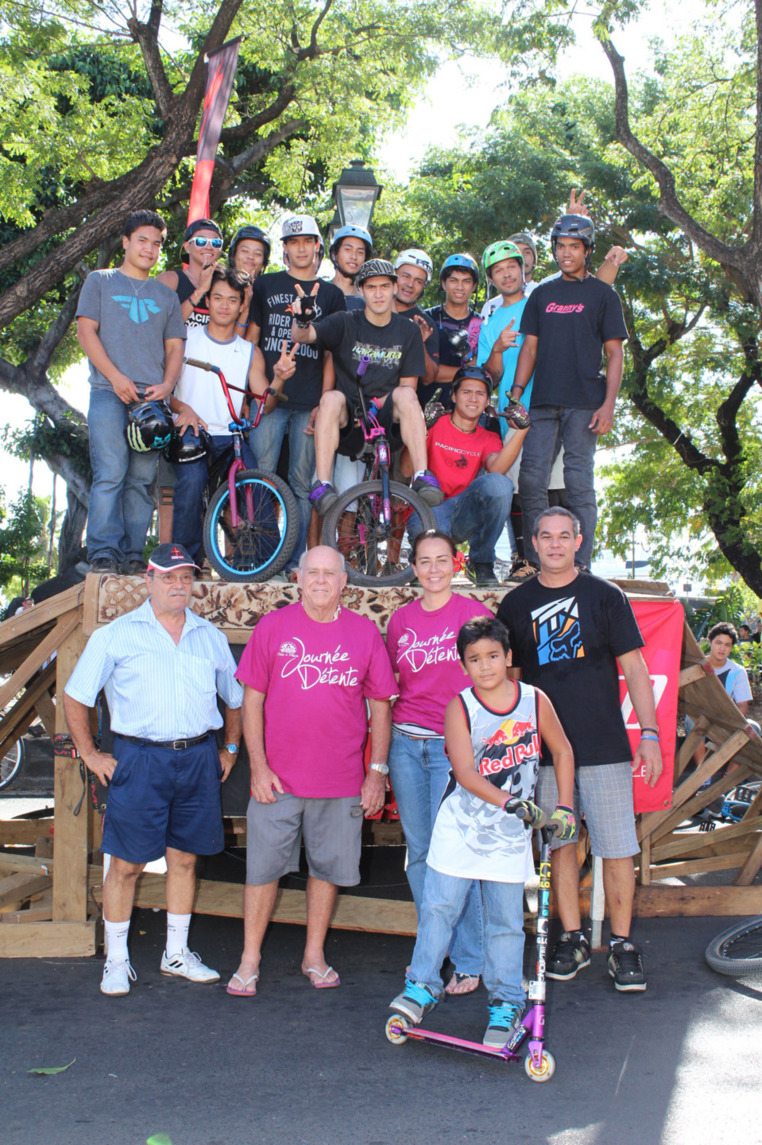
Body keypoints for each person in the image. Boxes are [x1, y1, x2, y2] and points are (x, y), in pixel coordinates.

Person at [62, 542, 244, 997]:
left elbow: (235, 698)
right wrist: (90, 753)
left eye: (185, 577)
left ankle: (176, 954)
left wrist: (230, 748)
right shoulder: (117, 635)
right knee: (126, 864)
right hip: (140, 758)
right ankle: (116, 960)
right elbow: (76, 695)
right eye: (168, 577)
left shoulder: (209, 636)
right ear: (149, 581)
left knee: (185, 858)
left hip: (198, 757)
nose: (178, 585)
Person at [388, 614, 575, 1046]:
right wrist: (507, 801)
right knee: (439, 908)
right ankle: (422, 985)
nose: (485, 665)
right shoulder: (461, 706)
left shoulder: (534, 700)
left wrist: (564, 804)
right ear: (464, 665)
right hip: (461, 828)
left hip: (509, 836)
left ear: (508, 657)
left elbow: (563, 750)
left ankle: (506, 1001)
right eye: (475, 659)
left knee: (506, 922)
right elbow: (465, 773)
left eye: (493, 656)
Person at [497, 506, 662, 992]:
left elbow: (635, 669)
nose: (554, 544)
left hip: (605, 747)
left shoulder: (606, 596)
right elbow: (510, 681)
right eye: (545, 536)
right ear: (532, 544)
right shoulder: (516, 604)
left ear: (578, 540)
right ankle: (572, 938)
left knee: (618, 848)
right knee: (560, 847)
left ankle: (623, 945)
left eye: (563, 536)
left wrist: (650, 734)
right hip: (546, 754)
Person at [228, 545, 398, 996]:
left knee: (326, 870)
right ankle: (249, 959)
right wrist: (258, 767)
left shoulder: (364, 633)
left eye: (330, 573)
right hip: (277, 780)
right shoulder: (273, 627)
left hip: (341, 782)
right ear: (298, 580)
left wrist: (376, 772)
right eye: (313, 572)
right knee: (262, 871)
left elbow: (381, 706)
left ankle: (314, 954)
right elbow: (251, 701)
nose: (321, 580)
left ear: (344, 582)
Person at [386, 530, 493, 995]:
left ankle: (470, 960)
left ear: (456, 564)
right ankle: (435, 945)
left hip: (454, 750)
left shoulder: (475, 617)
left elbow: (494, 682)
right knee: (420, 853)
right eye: (424, 561)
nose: (433, 569)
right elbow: (394, 683)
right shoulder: (401, 621)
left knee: (456, 853)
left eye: (441, 560)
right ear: (413, 568)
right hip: (407, 746)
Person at [508, 214, 628, 572]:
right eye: (560, 246)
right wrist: (516, 395)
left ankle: (581, 565)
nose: (566, 253)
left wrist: (609, 405)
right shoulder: (542, 294)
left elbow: (615, 354)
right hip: (542, 402)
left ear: (588, 250)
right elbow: (529, 348)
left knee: (578, 483)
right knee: (531, 480)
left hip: (585, 404)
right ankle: (536, 563)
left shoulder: (603, 295)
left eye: (574, 246)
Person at [76, 209, 186, 574]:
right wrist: (115, 377)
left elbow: (175, 347)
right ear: (125, 242)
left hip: (151, 401)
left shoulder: (166, 296)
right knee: (110, 472)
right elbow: (86, 332)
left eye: (157, 243)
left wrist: (167, 386)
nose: (149, 249)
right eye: (142, 240)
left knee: (141, 480)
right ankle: (103, 552)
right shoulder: (100, 281)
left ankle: (133, 554)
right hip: (108, 391)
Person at [289, 258, 443, 515]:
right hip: (350, 419)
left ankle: (421, 476)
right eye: (371, 287)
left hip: (387, 420)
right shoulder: (345, 321)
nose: (378, 294)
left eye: (384, 286)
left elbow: (409, 386)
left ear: (394, 288)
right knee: (330, 398)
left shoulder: (409, 331)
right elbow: (302, 336)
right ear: (361, 290)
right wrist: (302, 320)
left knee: (406, 394)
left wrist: (378, 403)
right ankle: (323, 484)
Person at [168, 266, 296, 562]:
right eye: (218, 298)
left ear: (241, 305)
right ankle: (186, 561)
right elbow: (164, 388)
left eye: (232, 300)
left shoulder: (249, 351)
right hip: (192, 432)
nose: (224, 305)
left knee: (256, 484)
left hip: (230, 436)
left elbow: (266, 403)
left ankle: (265, 564)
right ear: (207, 301)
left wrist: (279, 378)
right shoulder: (185, 337)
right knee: (192, 484)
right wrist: (183, 408)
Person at [245, 214, 346, 566]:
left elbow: (332, 353)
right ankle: (262, 557)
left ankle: (293, 562)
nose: (301, 248)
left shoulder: (331, 295)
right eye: (293, 242)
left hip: (308, 399)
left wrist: (324, 403)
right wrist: (250, 394)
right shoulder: (266, 285)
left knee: (302, 484)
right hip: (268, 395)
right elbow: (251, 342)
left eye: (307, 241)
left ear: (317, 246)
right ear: (285, 248)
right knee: (261, 476)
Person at [406, 365, 527, 585]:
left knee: (500, 485)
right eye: (466, 392)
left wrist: (522, 430)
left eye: (480, 393)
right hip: (430, 510)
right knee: (427, 572)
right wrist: (422, 427)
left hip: (464, 512)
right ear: (453, 396)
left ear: (487, 401)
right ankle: (420, 564)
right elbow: (406, 469)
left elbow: (497, 471)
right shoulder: (436, 423)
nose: (473, 398)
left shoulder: (488, 436)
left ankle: (480, 562)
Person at [425, 254, 483, 410]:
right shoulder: (427, 319)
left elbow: (485, 372)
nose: (459, 287)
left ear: (474, 286)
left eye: (466, 281)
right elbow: (426, 374)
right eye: (453, 280)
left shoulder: (482, 324)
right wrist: (469, 370)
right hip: (428, 406)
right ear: (444, 283)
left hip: (468, 410)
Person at [157, 218, 225, 329]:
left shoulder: (225, 284)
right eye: (201, 241)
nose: (209, 247)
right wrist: (200, 291)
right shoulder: (169, 280)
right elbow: (161, 325)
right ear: (188, 247)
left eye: (215, 243)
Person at [392, 249, 440, 403]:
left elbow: (429, 378)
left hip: (401, 406)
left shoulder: (425, 324)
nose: (410, 285)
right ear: (394, 274)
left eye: (418, 281)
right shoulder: (371, 308)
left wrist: (419, 343)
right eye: (405, 276)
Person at [227, 224, 271, 331]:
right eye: (244, 251)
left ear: (264, 263)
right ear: (233, 255)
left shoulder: (267, 295)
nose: (250, 257)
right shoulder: (218, 285)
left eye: (257, 253)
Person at [329, 225, 373, 310]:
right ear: (334, 254)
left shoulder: (368, 305)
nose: (354, 257)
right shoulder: (319, 293)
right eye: (348, 249)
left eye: (360, 252)